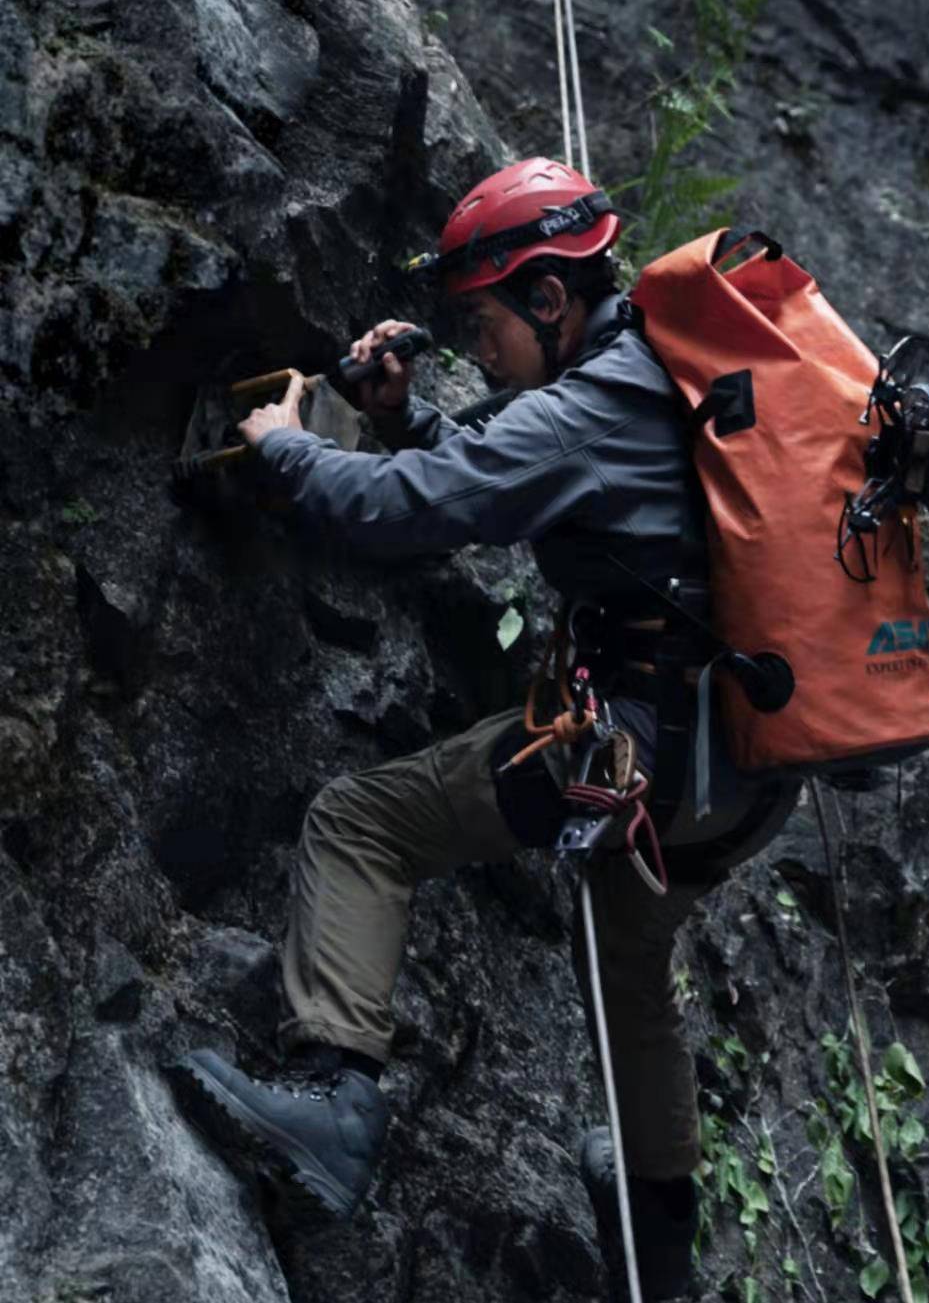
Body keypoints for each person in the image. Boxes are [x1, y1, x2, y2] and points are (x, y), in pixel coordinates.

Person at [172, 157, 800, 1302]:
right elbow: (484, 465)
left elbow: (400, 510)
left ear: (550, 299)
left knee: (361, 823)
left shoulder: (589, 405)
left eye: (483, 318)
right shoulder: (654, 370)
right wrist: (402, 414)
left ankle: (333, 1103)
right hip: (744, 768)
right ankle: (663, 1261)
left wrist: (285, 441)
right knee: (626, 961)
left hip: (639, 755)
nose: (476, 343)